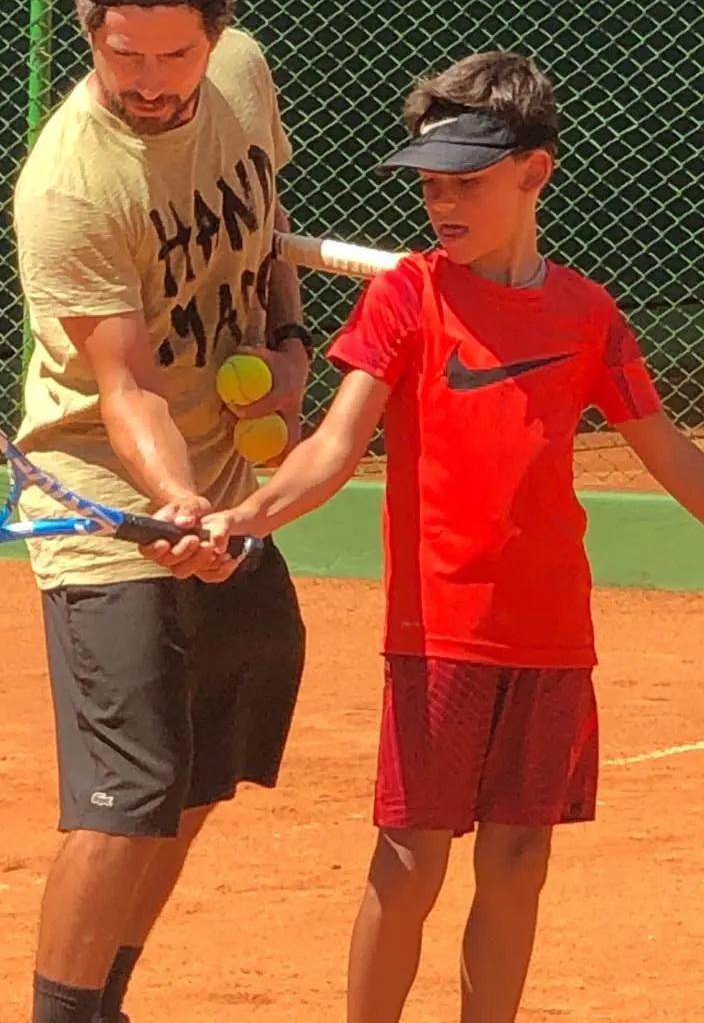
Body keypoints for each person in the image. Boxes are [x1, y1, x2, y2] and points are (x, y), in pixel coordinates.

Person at [196, 51, 704, 1022]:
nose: (442, 204)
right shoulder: (409, 298)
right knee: (409, 857)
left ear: (534, 172)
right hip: (438, 639)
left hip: (553, 637)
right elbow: (335, 445)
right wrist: (244, 514)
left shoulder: (590, 314)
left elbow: (675, 457)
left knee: (519, 860)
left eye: (466, 181)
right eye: (431, 185)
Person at [12, 0, 309, 1023]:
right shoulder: (71, 183)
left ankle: (105, 1001)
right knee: (126, 789)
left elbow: (265, 225)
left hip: (226, 488)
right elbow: (122, 384)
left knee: (200, 771)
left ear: (216, 30)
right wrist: (177, 498)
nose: (146, 77)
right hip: (105, 498)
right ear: (91, 28)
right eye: (119, 52)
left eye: (172, 53)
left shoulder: (241, 72)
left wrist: (284, 344)